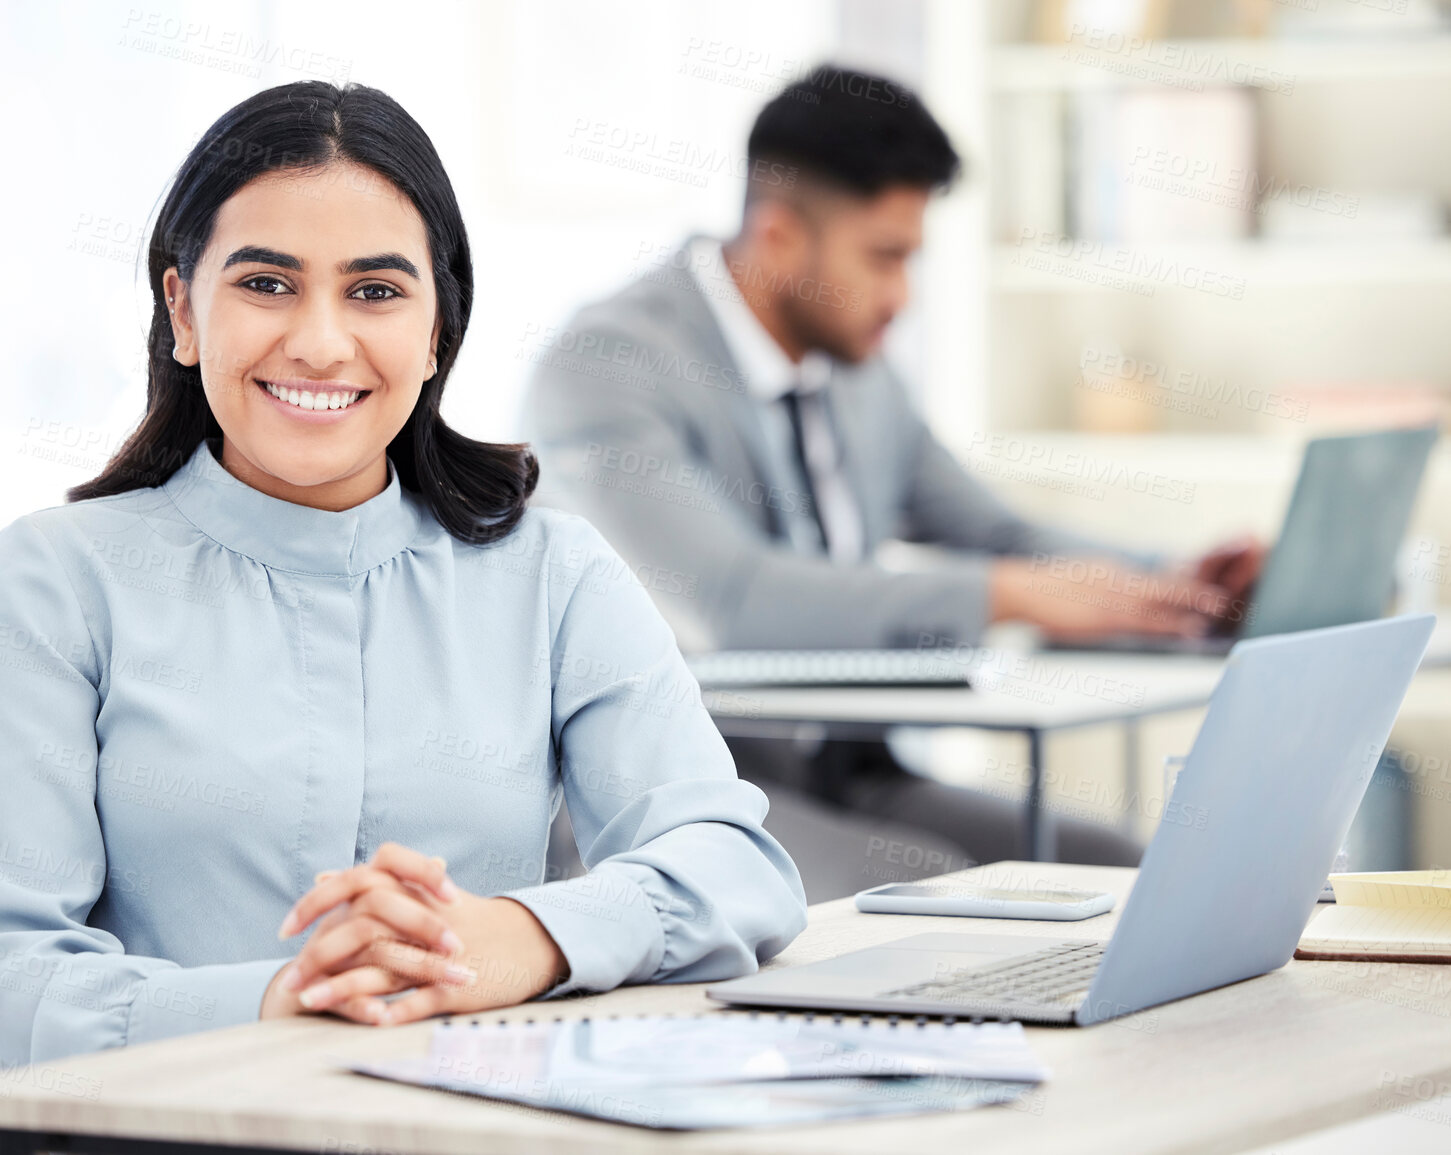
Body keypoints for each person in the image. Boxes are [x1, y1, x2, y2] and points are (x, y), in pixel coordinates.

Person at [0, 80, 805, 1155]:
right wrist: (284, 996)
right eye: (268, 283)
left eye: (375, 292)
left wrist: (518, 937)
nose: (321, 343)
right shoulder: (50, 584)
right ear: (185, 312)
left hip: (443, 1129)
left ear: (439, 332)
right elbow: (5, 994)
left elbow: (734, 865)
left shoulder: (552, 572)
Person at [519, 64, 1266, 899]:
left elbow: (997, 534)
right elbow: (731, 601)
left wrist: (1170, 582)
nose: (899, 296)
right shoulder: (606, 365)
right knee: (941, 897)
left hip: (847, 774)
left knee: (1126, 866)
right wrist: (1004, 596)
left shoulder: (853, 369)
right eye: (883, 258)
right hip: (682, 794)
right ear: (777, 240)